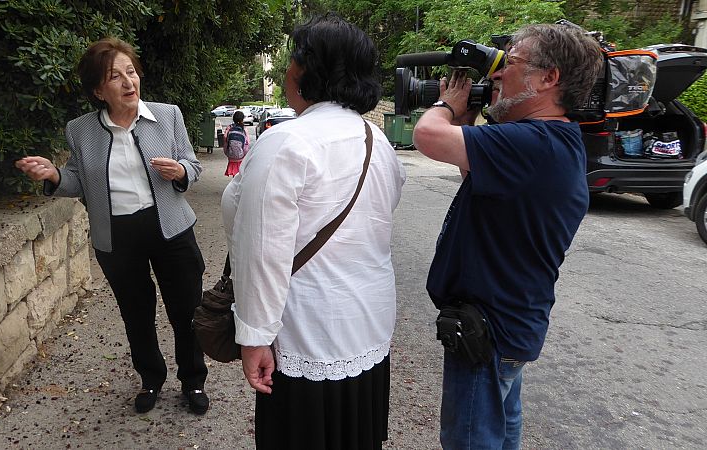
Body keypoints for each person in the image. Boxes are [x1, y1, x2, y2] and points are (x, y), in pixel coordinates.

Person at [412, 23, 603, 449]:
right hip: (509, 322)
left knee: (471, 440)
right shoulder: (551, 140)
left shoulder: (532, 142)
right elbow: (475, 175)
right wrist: (466, 118)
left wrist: (444, 104)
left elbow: (426, 135)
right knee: (502, 426)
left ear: (549, 78)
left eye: (509, 63)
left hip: (490, 330)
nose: (496, 74)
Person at [221, 14, 405, 450]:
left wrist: (254, 337)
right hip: (368, 323)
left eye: (293, 59)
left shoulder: (288, 141)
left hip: (306, 329)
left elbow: (263, 250)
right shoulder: (376, 140)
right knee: (356, 432)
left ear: (306, 70)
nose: (287, 70)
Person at [15, 37, 209, 415]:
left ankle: (193, 382)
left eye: (131, 72)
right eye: (115, 77)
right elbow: (76, 180)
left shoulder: (168, 116)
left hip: (170, 229)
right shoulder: (81, 130)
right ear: (98, 91)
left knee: (186, 310)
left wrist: (182, 170)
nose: (128, 82)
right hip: (117, 237)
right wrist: (54, 174)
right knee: (136, 312)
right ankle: (151, 378)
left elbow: (194, 166)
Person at [223, 110, 250, 176]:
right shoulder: (243, 129)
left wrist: (226, 151)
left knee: (234, 173)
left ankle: (234, 182)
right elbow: (247, 143)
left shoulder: (229, 128)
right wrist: (245, 154)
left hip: (231, 155)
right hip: (241, 156)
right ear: (242, 119)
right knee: (240, 173)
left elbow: (225, 138)